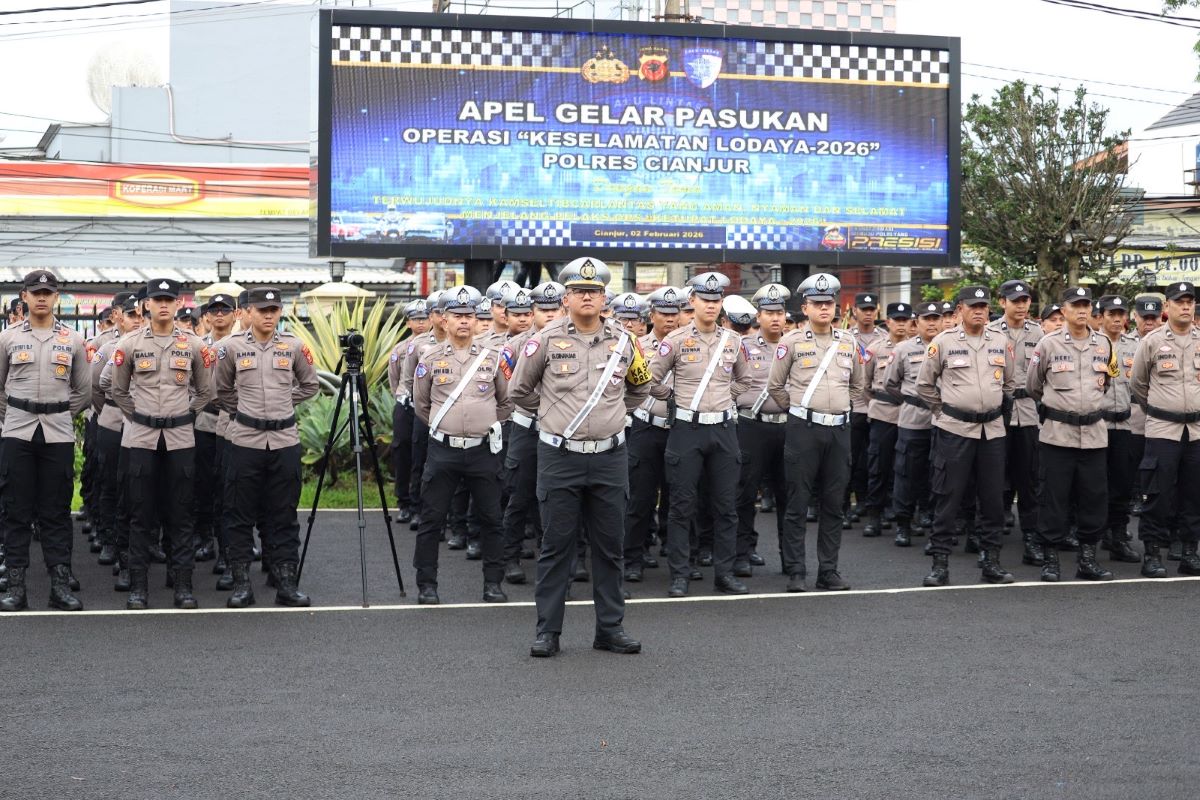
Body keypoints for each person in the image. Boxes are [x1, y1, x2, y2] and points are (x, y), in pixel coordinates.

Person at [510, 257, 650, 657]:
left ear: (604, 298)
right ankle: (548, 632)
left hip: (609, 457)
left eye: (594, 291)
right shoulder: (546, 339)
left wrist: (613, 414)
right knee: (557, 546)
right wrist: (555, 414)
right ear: (566, 298)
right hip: (559, 456)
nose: (586, 296)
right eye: (578, 291)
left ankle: (610, 628)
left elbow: (640, 387)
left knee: (610, 546)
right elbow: (519, 390)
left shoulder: (625, 340)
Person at [213, 287, 319, 607]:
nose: (269, 315)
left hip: (285, 440)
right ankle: (242, 584)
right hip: (245, 439)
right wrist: (245, 411)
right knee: (239, 513)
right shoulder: (230, 348)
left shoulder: (294, 346)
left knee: (283, 514)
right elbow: (222, 390)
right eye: (262, 310)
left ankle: (286, 582)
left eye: (274, 309)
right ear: (250, 312)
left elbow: (309, 385)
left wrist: (284, 403)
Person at [110, 278, 213, 609]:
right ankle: (139, 587)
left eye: (170, 299)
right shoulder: (129, 343)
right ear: (147, 305)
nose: (164, 304)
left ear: (178, 302)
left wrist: (185, 415)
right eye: (158, 299)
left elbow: (206, 391)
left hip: (181, 438)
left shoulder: (194, 345)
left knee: (181, 513)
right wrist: (140, 416)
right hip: (142, 438)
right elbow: (118, 391)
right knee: (141, 514)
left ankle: (182, 585)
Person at [650, 271, 753, 597]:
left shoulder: (733, 341)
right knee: (682, 506)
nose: (710, 305)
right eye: (705, 300)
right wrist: (674, 399)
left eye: (715, 300)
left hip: (723, 428)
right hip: (687, 429)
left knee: (725, 506)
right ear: (692, 301)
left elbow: (745, 380)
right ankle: (680, 574)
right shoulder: (676, 340)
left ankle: (724, 574)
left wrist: (724, 397)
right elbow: (651, 379)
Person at [410, 286, 511, 605]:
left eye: (469, 315)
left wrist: (482, 423)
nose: (464, 321)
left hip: (483, 450)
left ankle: (493, 583)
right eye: (457, 315)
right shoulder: (430, 357)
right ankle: (427, 584)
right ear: (444, 319)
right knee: (431, 518)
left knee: (492, 517)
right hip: (443, 451)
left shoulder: (494, 357)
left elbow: (506, 402)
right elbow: (421, 405)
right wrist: (449, 426)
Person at [767, 273, 866, 592]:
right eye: (817, 303)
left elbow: (859, 385)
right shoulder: (791, 342)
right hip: (803, 430)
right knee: (797, 502)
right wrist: (799, 411)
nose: (824, 308)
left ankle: (829, 571)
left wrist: (837, 407)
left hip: (838, 430)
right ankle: (796, 571)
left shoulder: (849, 341)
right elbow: (775, 386)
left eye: (829, 303)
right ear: (805, 308)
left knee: (833, 503)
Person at [0, 270, 91, 612]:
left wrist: (59, 414)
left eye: (48, 292)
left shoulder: (73, 340)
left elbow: (84, 391)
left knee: (56, 511)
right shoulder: (7, 338)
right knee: (16, 510)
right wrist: (14, 416)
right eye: (35, 292)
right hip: (18, 430)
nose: (42, 297)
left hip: (57, 431)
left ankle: (59, 586)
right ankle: (16, 588)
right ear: (24, 296)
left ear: (56, 297)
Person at [916, 285, 1016, 587]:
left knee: (993, 499)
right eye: (973, 306)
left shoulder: (1000, 341)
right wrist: (944, 412)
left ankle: (991, 562)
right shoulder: (943, 342)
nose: (979, 311)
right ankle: (940, 563)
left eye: (983, 306)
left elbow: (1009, 385)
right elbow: (924, 385)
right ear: (959, 310)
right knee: (949, 496)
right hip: (955, 430)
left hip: (992, 431)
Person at [1025, 287, 1116, 582]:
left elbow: (1108, 383)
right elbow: (1033, 386)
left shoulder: (1103, 344)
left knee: (1093, 498)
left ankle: (1087, 560)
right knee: (1054, 497)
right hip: (1058, 435)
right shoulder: (1047, 344)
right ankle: (1050, 560)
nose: (1081, 310)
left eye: (1086, 305)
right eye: (1075, 305)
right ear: (1063, 310)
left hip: (1094, 435)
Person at [1130, 281, 1200, 577]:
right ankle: (1153, 553)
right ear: (1166, 308)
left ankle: (1189, 552)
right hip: (1162, 428)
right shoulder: (1152, 341)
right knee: (1157, 494)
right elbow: (1138, 384)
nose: (1185, 306)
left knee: (1193, 493)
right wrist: (1161, 409)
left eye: (1190, 301)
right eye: (1179, 301)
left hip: (1196, 429)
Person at [500, 282, 564, 585]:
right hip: (528, 430)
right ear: (533, 312)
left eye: (555, 309)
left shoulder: (574, 341)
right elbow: (513, 391)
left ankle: (559, 561)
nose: (550, 315)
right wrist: (550, 406)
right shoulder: (515, 347)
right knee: (520, 497)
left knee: (559, 501)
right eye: (543, 310)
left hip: (562, 434)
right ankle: (510, 557)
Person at [622, 286, 682, 584]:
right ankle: (633, 557)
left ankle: (676, 556)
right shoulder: (637, 345)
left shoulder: (689, 342)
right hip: (646, 426)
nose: (670, 319)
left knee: (678, 497)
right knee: (640, 497)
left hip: (681, 429)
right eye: (663, 314)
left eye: (674, 313)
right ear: (652, 316)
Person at [732, 283, 791, 575]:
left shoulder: (795, 345)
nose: (775, 318)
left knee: (788, 495)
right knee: (744, 493)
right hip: (751, 427)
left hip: (788, 427)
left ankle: (790, 559)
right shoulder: (743, 347)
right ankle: (742, 554)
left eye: (779, 312)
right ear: (759, 316)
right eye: (769, 312)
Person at [987, 279, 1043, 566]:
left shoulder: (1040, 334)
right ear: (1002, 302)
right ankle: (988, 541)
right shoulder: (989, 333)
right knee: (992, 480)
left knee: (1029, 480)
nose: (1021, 305)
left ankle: (1031, 539)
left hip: (1029, 412)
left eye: (1025, 300)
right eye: (1015, 300)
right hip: (998, 414)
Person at [886, 301, 941, 548]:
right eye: (926, 318)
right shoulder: (903, 349)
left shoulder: (950, 346)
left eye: (936, 318)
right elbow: (890, 384)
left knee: (939, 476)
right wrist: (913, 402)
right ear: (915, 322)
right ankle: (903, 524)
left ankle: (930, 518)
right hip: (912, 422)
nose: (932, 323)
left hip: (944, 422)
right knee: (907, 474)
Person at [1096, 294, 1141, 563]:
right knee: (1094, 485)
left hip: (1124, 424)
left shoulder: (1135, 346)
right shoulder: (1091, 343)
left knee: (1122, 484)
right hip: (1095, 425)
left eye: (1120, 314)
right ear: (1100, 316)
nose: (1116, 318)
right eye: (1111, 313)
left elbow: (1144, 382)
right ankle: (1092, 534)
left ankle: (1117, 535)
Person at [861, 302, 911, 538]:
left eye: (905, 320)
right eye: (896, 320)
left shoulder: (919, 348)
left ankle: (905, 514)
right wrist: (877, 403)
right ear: (888, 321)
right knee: (878, 466)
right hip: (883, 413)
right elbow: (864, 385)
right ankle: (874, 516)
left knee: (906, 468)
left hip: (911, 415)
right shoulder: (875, 348)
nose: (901, 324)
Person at [400, 291, 446, 531]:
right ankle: (417, 508)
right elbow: (406, 381)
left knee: (446, 467)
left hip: (450, 413)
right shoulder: (417, 344)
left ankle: (446, 516)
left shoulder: (461, 343)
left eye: (444, 311)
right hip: (424, 412)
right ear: (431, 315)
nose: (441, 317)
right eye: (437, 312)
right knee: (420, 461)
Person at [201, 293, 239, 589]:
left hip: (232, 423)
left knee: (230, 490)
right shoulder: (199, 346)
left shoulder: (241, 345)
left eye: (225, 310)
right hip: (203, 422)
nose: (219, 315)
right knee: (204, 485)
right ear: (207, 316)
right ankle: (206, 540)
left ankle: (230, 552)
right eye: (214, 311)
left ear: (236, 314)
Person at [388, 299, 431, 524]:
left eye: (424, 318)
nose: (421, 323)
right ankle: (403, 502)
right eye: (416, 319)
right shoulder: (400, 349)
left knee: (421, 456)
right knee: (402, 451)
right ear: (408, 323)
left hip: (428, 407)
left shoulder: (436, 345)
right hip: (406, 405)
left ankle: (420, 503)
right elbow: (395, 380)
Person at [847, 292, 884, 526]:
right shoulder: (845, 338)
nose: (868, 313)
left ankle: (871, 504)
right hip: (853, 406)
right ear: (855, 312)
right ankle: (850, 504)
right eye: (864, 309)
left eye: (871, 309)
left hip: (878, 408)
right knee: (850, 459)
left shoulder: (884, 338)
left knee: (875, 460)